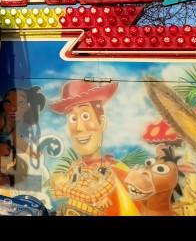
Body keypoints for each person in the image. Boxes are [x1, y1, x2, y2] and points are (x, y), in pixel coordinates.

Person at [48, 80, 141, 216]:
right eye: (73, 119)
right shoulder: (76, 167)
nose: (79, 128)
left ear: (101, 122)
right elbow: (56, 193)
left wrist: (63, 185)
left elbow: (92, 196)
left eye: (85, 116)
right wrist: (60, 184)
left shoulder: (112, 170)